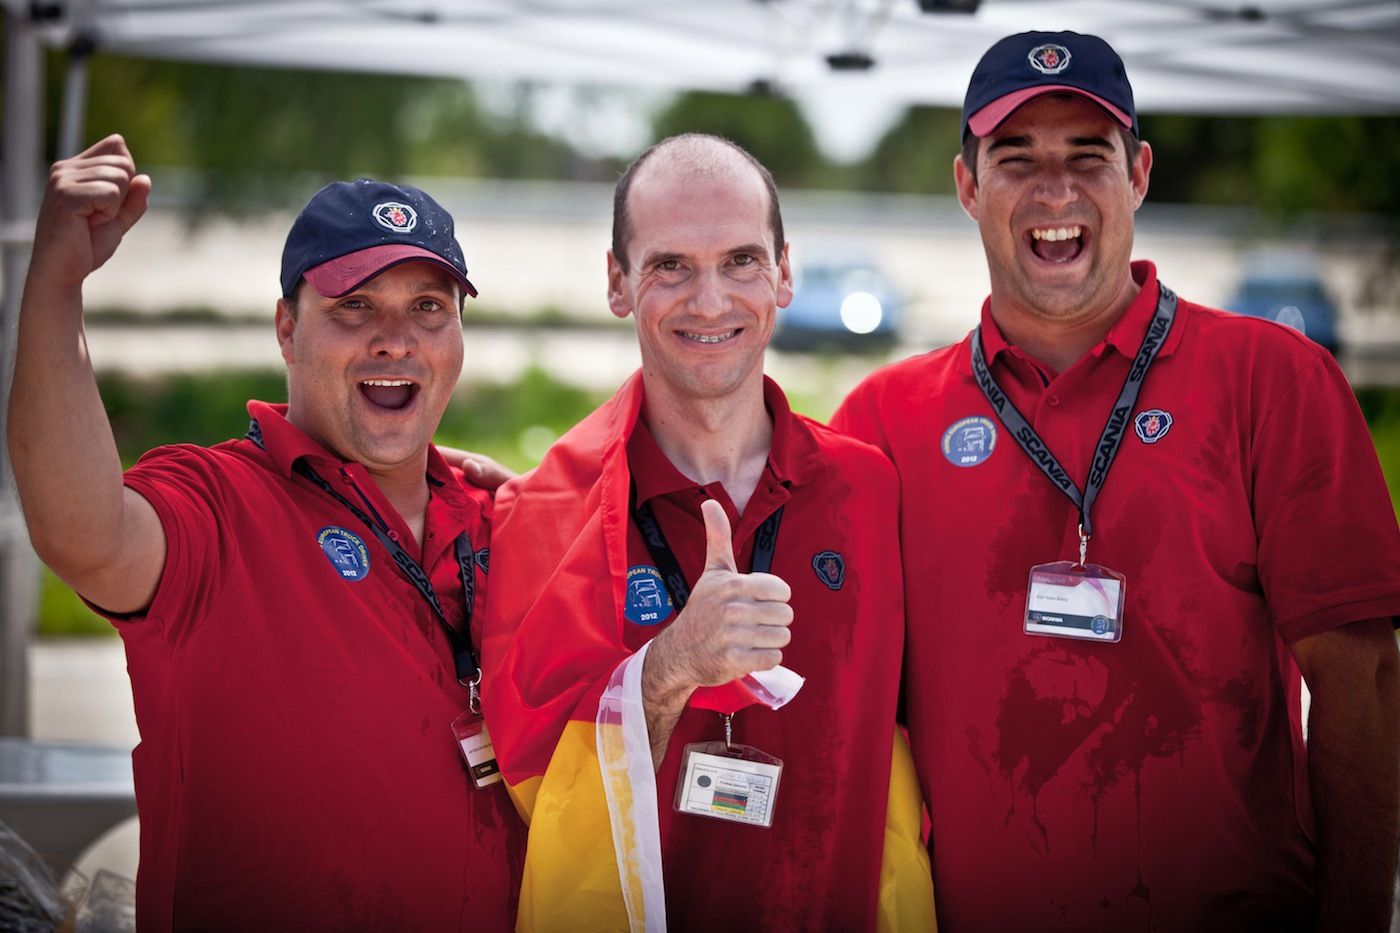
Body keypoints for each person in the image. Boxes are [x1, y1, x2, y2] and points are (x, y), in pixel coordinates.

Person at [831, 30, 1400, 933]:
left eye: (1086, 157)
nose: (1054, 191)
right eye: (1016, 159)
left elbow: (1362, 677)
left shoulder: (1273, 380)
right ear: (968, 188)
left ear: (1137, 174)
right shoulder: (881, 420)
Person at [7, 136, 523, 931]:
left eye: (428, 307)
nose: (395, 337)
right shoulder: (220, 501)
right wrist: (54, 286)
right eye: (354, 306)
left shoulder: (496, 514)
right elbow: (84, 533)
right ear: (287, 330)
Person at [481, 134, 933, 931]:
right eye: (670, 266)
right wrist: (669, 666)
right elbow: (537, 790)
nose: (712, 300)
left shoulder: (870, 488)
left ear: (784, 272)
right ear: (618, 281)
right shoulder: (547, 509)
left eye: (741, 260)